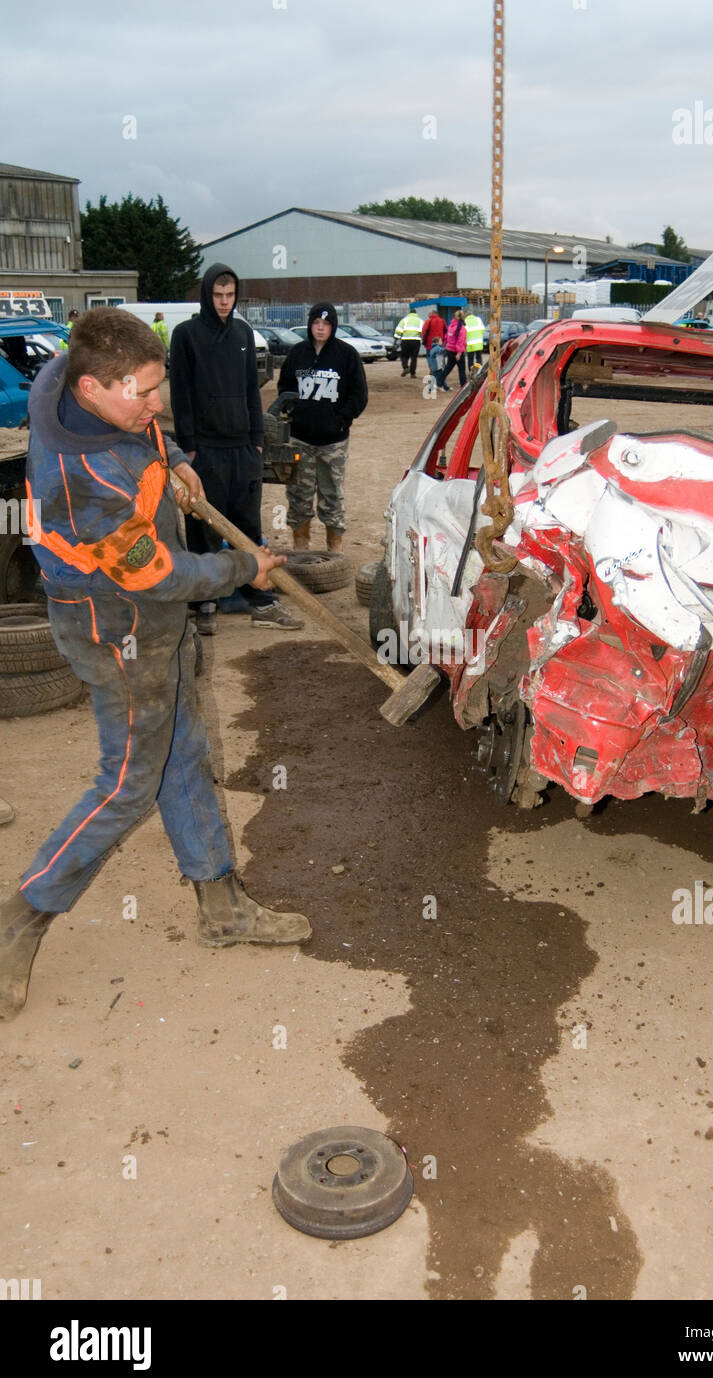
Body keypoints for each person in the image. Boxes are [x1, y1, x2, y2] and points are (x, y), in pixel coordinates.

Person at [0, 308, 312, 1021]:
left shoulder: (72, 377)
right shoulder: (89, 486)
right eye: (141, 394)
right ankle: (20, 918)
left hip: (147, 621)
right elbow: (157, 576)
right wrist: (244, 566)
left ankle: (221, 903)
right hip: (118, 628)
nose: (156, 404)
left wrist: (167, 455)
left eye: (156, 386)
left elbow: (142, 424)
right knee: (128, 785)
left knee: (184, 753)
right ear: (89, 388)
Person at [170, 263, 302, 635]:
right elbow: (180, 395)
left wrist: (257, 441)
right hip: (205, 451)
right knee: (206, 529)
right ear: (207, 295)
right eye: (218, 295)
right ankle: (205, 602)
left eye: (230, 295)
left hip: (243, 449)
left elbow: (251, 391)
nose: (225, 302)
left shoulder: (244, 333)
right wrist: (189, 450)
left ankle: (259, 600)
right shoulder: (186, 335)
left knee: (247, 525)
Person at [276, 302, 368, 553]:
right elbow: (284, 387)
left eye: (326, 324)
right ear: (310, 325)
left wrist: (341, 419)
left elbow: (359, 395)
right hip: (300, 439)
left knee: (332, 496)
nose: (320, 328)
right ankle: (301, 548)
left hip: (333, 442)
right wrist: (291, 408)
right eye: (316, 323)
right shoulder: (297, 353)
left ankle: (334, 550)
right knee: (298, 494)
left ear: (333, 327)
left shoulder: (346, 355)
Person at [440, 309, 467, 389]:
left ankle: (439, 381)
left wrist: (445, 344)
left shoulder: (451, 326)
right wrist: (459, 352)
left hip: (449, 349)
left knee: (448, 368)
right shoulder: (461, 328)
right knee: (461, 369)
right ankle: (463, 384)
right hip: (457, 351)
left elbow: (446, 337)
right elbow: (460, 341)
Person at [394, 306, 423, 377]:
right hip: (416, 341)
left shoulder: (404, 320)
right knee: (414, 358)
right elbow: (423, 331)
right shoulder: (420, 321)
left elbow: (398, 330)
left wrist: (396, 338)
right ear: (416, 313)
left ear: (409, 313)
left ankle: (405, 367)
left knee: (404, 355)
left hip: (405, 340)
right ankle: (412, 373)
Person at [464, 309, 485, 373]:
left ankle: (471, 372)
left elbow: (463, 333)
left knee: (470, 359)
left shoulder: (465, 321)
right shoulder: (478, 319)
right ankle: (479, 371)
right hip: (478, 343)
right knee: (478, 358)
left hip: (469, 344)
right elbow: (483, 329)